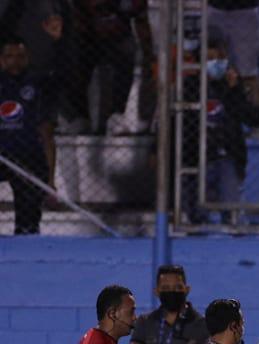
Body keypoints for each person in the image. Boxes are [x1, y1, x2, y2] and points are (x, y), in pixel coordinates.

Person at [180, 39, 259, 226]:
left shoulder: (233, 85)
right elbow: (177, 121)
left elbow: (253, 118)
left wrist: (234, 91)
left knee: (232, 215)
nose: (216, 63)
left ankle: (232, 223)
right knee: (196, 215)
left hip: (227, 155)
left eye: (220, 58)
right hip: (196, 156)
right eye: (210, 58)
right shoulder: (189, 87)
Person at [62, 0, 152, 134]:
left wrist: (148, 50)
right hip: (87, 36)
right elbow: (75, 16)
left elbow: (140, 17)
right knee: (74, 56)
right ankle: (78, 117)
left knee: (127, 51)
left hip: (117, 36)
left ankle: (116, 116)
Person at [0, 35, 56, 236]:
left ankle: (27, 236)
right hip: (1, 155)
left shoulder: (38, 85)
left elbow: (47, 135)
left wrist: (50, 181)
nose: (15, 61)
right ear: (1, 60)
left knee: (28, 217)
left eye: (20, 56)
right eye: (9, 56)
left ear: (27, 58)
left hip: (28, 158)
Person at [127, 265, 210, 344]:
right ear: (156, 291)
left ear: (187, 289)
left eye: (177, 287)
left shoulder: (200, 323)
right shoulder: (145, 321)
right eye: (166, 288)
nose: (172, 292)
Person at [206, 0, 259, 113]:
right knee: (211, 68)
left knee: (248, 74)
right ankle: (211, 118)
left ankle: (257, 122)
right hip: (215, 8)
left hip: (246, 10)